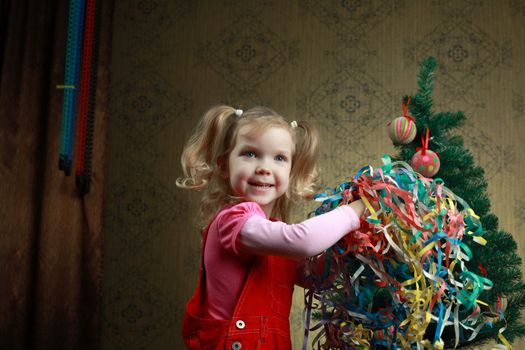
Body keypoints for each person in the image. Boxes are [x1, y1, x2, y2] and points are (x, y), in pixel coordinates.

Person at [177, 105, 365, 349]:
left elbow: (318, 277)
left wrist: (357, 248)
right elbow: (302, 241)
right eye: (250, 154)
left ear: (291, 170)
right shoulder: (232, 221)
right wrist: (359, 210)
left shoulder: (272, 234)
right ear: (224, 165)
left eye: (279, 158)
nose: (264, 167)